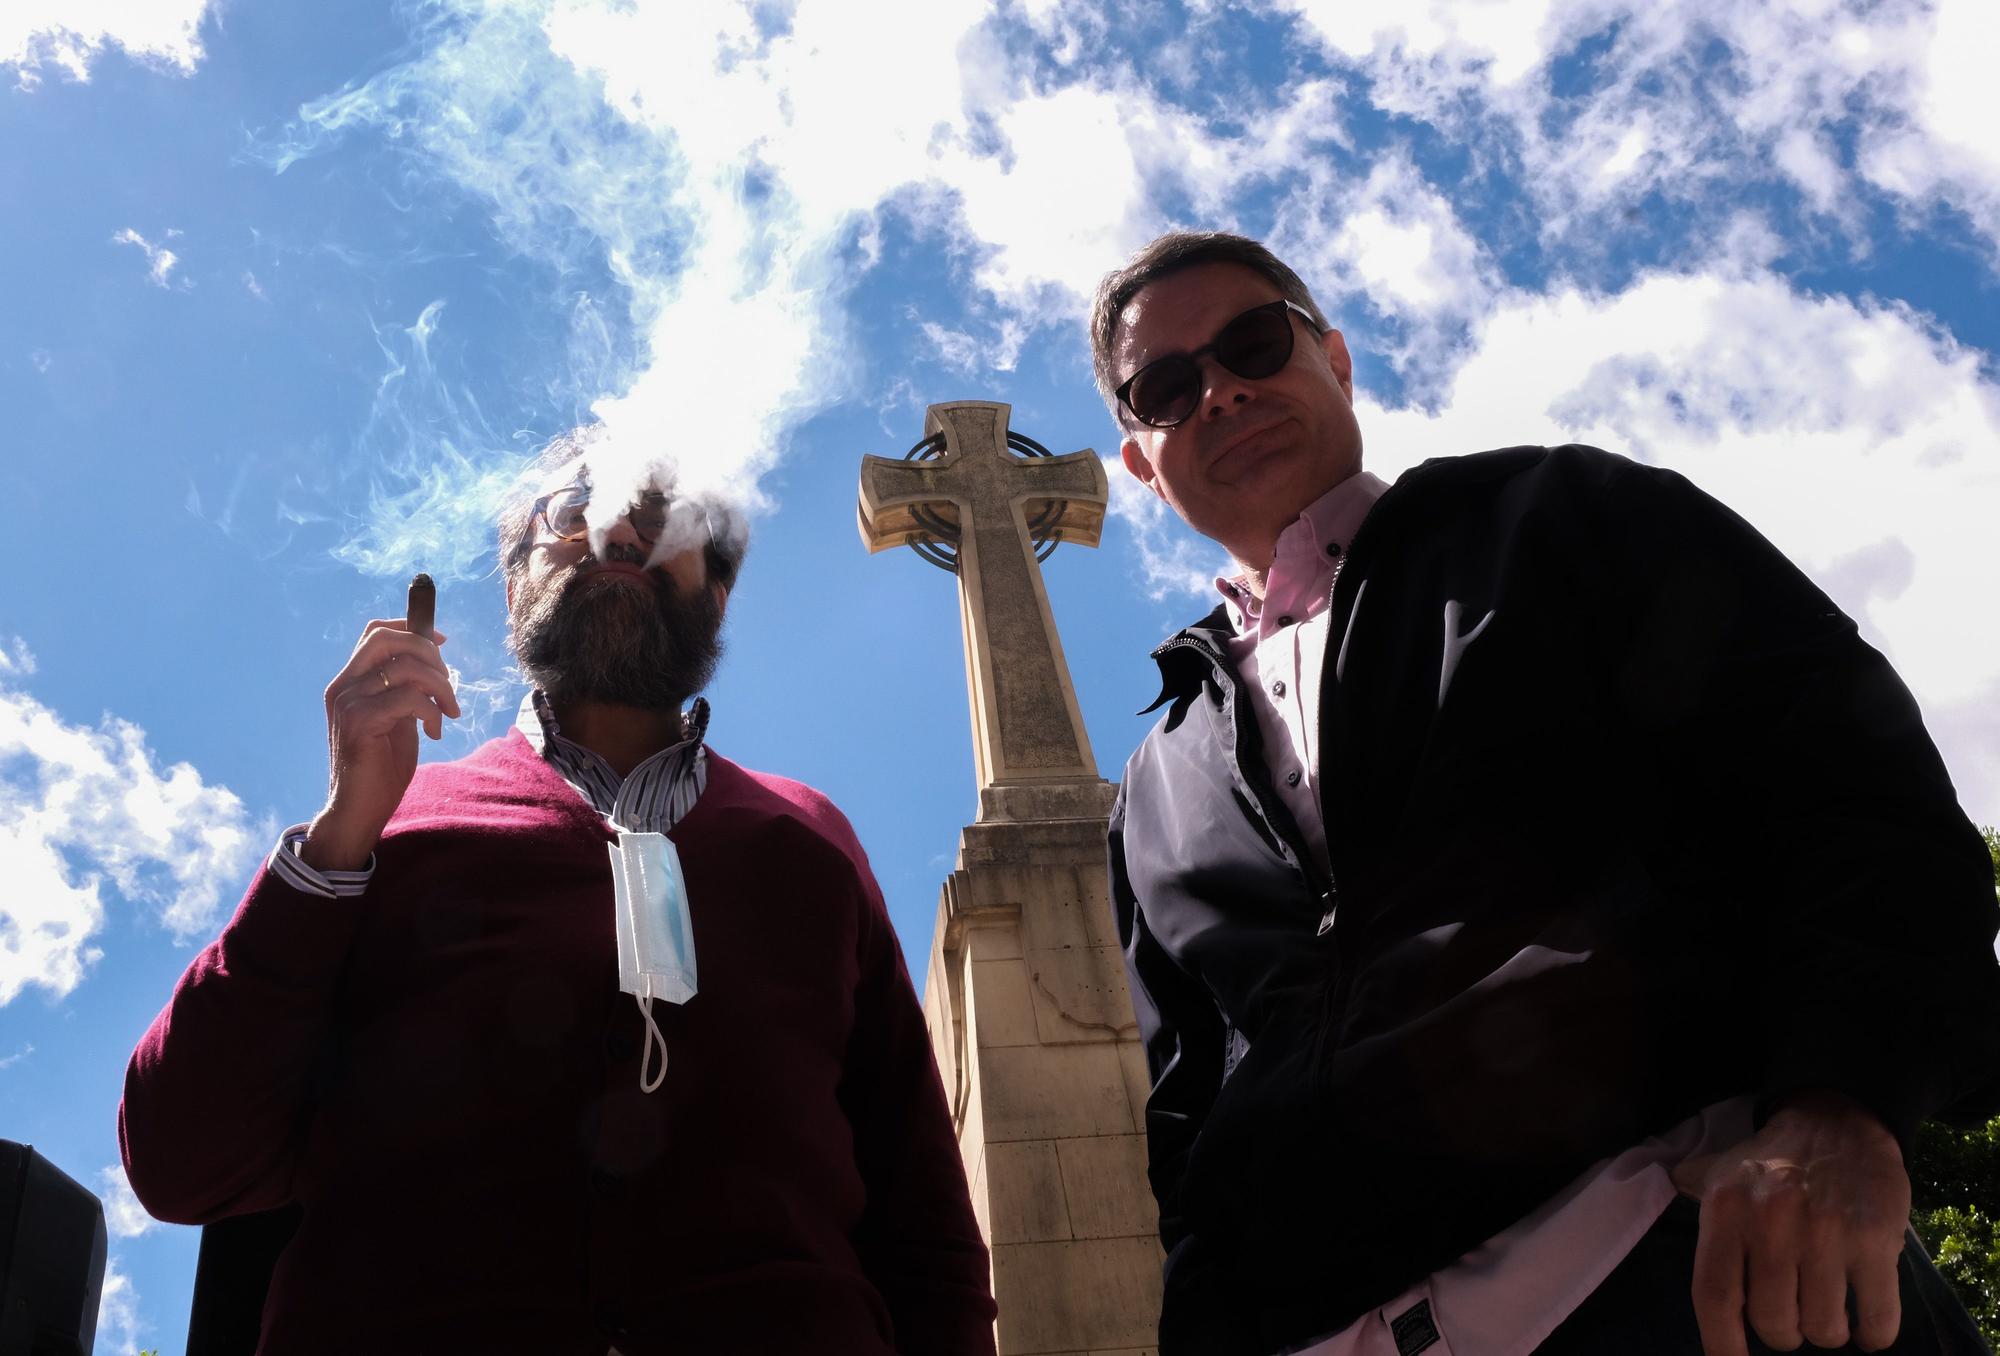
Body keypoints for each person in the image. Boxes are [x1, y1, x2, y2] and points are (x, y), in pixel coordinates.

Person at [1093, 231, 2000, 1356]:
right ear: (1139, 457)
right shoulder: (1152, 788)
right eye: (1167, 388)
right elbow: (1184, 1118)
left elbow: (1841, 784)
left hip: (1693, 1274)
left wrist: (1842, 1098)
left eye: (1252, 342)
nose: (1221, 391)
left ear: (1332, 356)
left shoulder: (1558, 517)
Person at [120, 429, 997, 1355]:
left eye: (662, 518)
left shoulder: (809, 837)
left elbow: (924, 1228)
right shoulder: (384, 828)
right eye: (576, 512)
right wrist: (337, 844)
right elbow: (182, 1165)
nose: (620, 532)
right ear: (515, 585)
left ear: (721, 592)